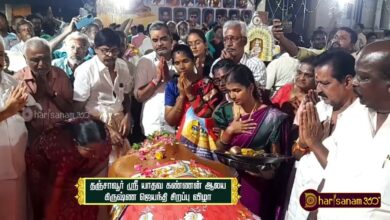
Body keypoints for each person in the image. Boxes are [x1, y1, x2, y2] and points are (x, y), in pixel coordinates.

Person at [286, 50, 357, 220]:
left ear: (347, 81)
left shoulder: (361, 120)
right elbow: (296, 154)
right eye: (316, 83)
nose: (318, 90)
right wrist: (303, 144)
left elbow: (346, 177)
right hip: (297, 202)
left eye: (325, 83)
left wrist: (316, 144)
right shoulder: (319, 109)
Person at [213, 64, 290, 219]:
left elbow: (276, 157)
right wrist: (229, 131)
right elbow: (219, 151)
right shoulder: (225, 112)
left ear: (250, 88)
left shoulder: (272, 118)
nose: (233, 96)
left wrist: (266, 171)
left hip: (257, 184)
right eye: (229, 91)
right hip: (229, 179)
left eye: (237, 90)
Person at [26, 118, 111, 220]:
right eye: (91, 151)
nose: (97, 156)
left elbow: (102, 163)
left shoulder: (103, 141)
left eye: (99, 151)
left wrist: (84, 178)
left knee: (85, 202)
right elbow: (54, 191)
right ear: (76, 144)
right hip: (46, 172)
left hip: (74, 170)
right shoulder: (63, 149)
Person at [73, 28, 132, 164]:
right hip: (94, 127)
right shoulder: (85, 71)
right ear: (95, 49)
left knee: (122, 166)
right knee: (101, 168)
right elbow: (78, 110)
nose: (110, 55)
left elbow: (127, 95)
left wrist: (128, 115)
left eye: (114, 50)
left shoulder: (122, 66)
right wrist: (106, 129)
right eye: (105, 50)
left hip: (119, 122)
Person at [165, 44, 221, 160]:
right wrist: (181, 95)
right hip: (184, 140)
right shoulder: (172, 86)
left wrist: (190, 95)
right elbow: (170, 120)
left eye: (185, 61)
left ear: (194, 60)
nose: (181, 66)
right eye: (177, 63)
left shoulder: (207, 84)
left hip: (205, 142)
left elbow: (209, 116)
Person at [14, 37, 73, 144]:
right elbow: (20, 119)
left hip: (61, 135)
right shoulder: (17, 81)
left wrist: (51, 93)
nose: (42, 64)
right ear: (25, 58)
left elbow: (70, 110)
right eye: (35, 60)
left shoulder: (61, 75)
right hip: (32, 139)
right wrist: (38, 95)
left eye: (46, 59)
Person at [0, 36, 29, 220]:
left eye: (0, 54)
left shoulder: (11, 81)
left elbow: (29, 112)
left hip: (17, 166)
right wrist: (7, 111)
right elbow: (11, 110)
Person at [134, 21, 176, 136]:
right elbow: (139, 97)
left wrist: (168, 80)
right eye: (155, 40)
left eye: (163, 39)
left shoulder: (180, 60)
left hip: (176, 126)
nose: (160, 44)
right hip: (152, 125)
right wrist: (156, 80)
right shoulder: (144, 62)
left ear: (171, 39)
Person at [210, 21, 266, 88]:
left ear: (244, 41)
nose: (229, 44)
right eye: (226, 39)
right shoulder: (216, 63)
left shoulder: (256, 64)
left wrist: (231, 66)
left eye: (234, 39)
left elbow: (257, 93)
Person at [273, 19, 358, 60]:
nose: (336, 40)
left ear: (351, 46)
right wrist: (281, 37)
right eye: (335, 37)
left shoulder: (354, 61)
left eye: (343, 38)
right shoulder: (322, 54)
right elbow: (297, 52)